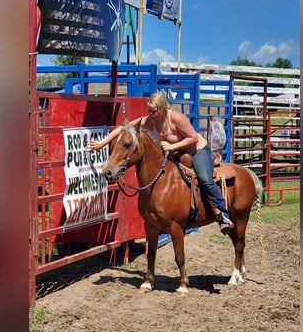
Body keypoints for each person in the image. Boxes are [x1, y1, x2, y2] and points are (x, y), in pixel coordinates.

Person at [88, 91, 234, 234]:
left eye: (154, 111)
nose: (151, 114)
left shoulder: (175, 118)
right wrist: (102, 143)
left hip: (197, 151)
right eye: (149, 111)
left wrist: (172, 146)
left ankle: (222, 213)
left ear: (163, 109)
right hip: (177, 153)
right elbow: (123, 129)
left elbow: (193, 137)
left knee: (204, 178)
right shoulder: (149, 121)